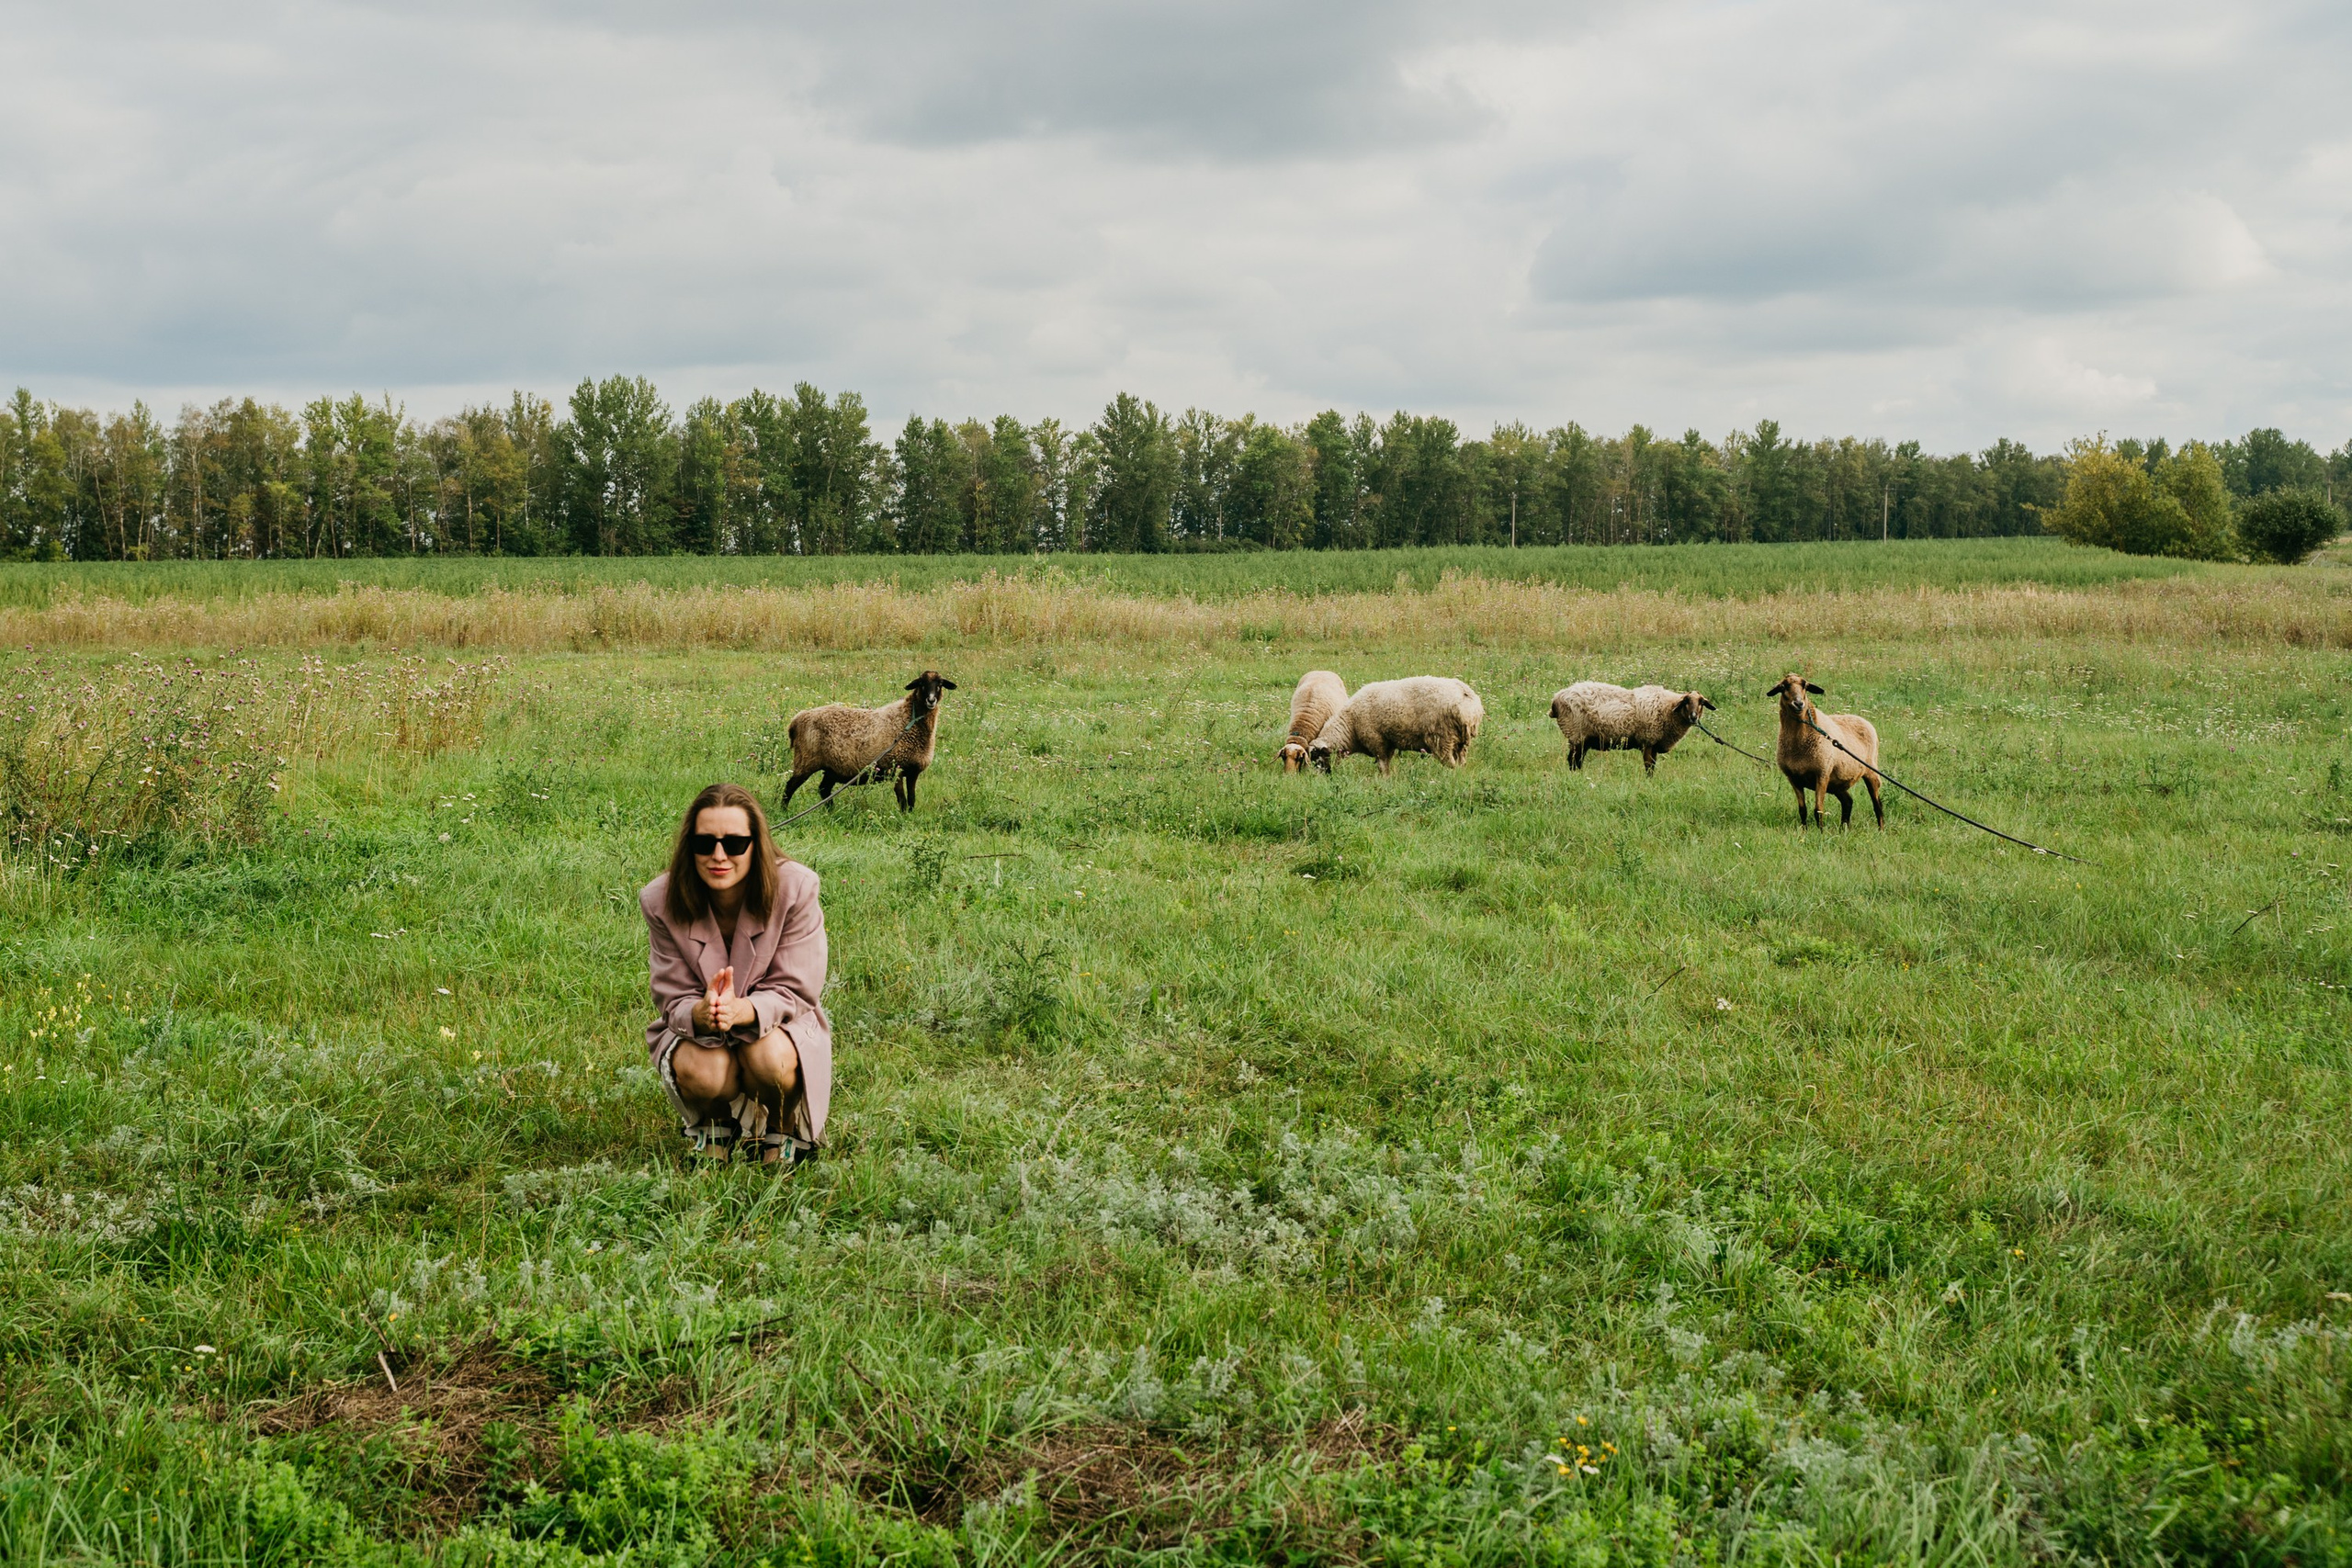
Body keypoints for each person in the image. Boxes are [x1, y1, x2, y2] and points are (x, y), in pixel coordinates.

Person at [641, 782, 831, 1165]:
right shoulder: (660, 899)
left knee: (767, 1056)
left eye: (734, 843)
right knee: (701, 1070)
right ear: (689, 846)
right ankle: (715, 1126)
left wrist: (743, 1011)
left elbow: (796, 988)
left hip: (779, 1026)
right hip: (702, 1034)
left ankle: (783, 1125)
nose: (718, 855)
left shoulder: (796, 888)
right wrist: (699, 1013)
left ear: (755, 843)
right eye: (704, 843)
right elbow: (670, 995)